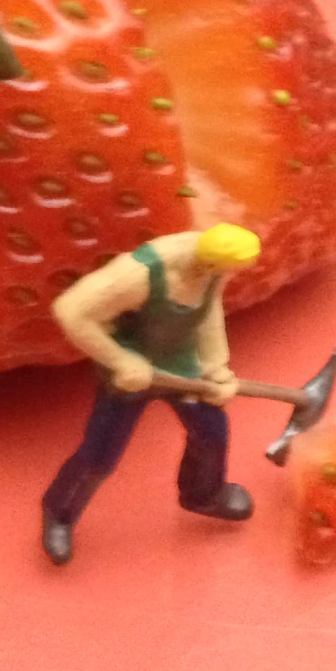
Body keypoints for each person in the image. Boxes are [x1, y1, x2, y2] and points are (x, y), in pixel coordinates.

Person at [39, 224, 260, 567]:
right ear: (208, 261)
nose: (229, 276)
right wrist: (121, 360)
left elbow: (209, 313)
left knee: (212, 432)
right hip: (131, 373)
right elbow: (70, 310)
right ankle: (59, 514)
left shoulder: (216, 268)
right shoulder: (141, 273)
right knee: (100, 457)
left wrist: (217, 367)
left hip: (181, 364)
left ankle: (203, 494)